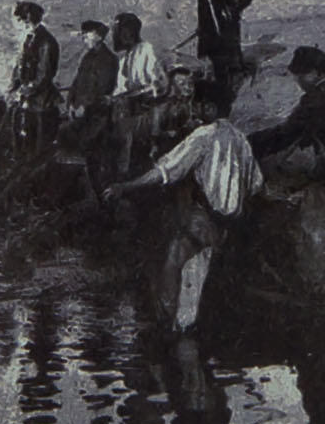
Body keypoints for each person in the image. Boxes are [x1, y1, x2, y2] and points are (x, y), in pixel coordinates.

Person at [104, 103, 264, 335]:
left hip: (205, 219)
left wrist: (126, 186)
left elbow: (166, 171)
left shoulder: (204, 136)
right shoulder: (241, 139)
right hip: (229, 225)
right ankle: (189, 323)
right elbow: (256, 184)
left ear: (208, 109)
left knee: (172, 260)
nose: (194, 114)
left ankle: (169, 326)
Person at [248, 45, 325, 292]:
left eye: (301, 77)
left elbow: (286, 133)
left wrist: (249, 144)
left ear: (314, 73)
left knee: (310, 226)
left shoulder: (316, 98)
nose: (299, 83)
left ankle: (315, 288)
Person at [195, 0, 256, 116]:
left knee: (226, 62)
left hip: (224, 26)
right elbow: (202, 8)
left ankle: (225, 102)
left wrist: (236, 7)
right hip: (213, 28)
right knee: (221, 63)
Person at [63, 19, 119, 190]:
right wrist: (71, 104)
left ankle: (99, 196)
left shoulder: (109, 60)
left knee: (95, 160)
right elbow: (77, 82)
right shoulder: (87, 57)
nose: (84, 38)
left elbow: (102, 91)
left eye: (87, 35)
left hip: (98, 118)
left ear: (99, 37)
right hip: (81, 115)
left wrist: (84, 107)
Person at [110, 12, 168, 177]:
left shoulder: (146, 50)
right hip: (127, 110)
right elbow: (121, 87)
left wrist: (134, 95)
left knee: (129, 139)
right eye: (119, 32)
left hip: (145, 111)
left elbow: (158, 85)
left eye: (124, 31)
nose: (121, 36)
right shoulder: (125, 57)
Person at [7, 1, 60, 155]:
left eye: (19, 20)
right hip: (27, 98)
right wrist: (13, 87)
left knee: (38, 141)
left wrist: (26, 90)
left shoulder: (46, 41)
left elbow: (44, 74)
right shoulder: (29, 38)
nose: (16, 24)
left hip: (41, 100)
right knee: (22, 136)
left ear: (27, 19)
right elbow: (20, 66)